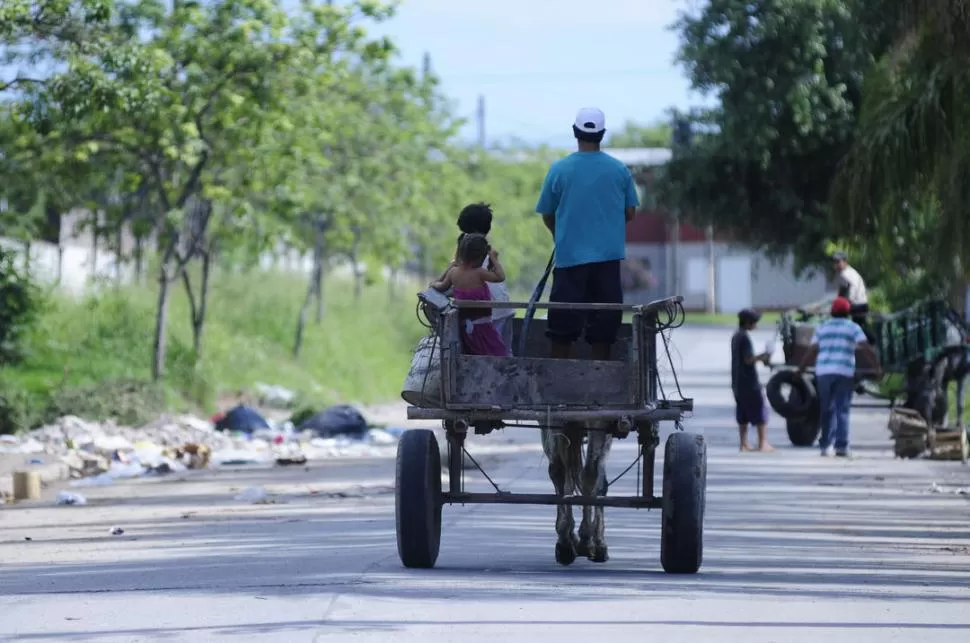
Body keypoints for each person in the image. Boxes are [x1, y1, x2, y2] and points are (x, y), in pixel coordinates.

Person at [535, 107, 640, 361]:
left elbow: (547, 213)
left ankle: (559, 385)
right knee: (604, 328)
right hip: (607, 263)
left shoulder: (559, 169)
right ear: (602, 134)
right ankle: (599, 381)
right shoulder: (619, 170)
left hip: (570, 262)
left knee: (561, 329)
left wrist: (560, 234)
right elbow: (630, 212)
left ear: (575, 132)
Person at [797, 296, 880, 458]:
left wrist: (801, 369)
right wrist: (876, 366)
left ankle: (826, 446)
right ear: (848, 312)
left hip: (824, 372)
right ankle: (842, 446)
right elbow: (866, 348)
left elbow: (812, 350)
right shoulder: (852, 328)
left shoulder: (822, 327)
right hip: (844, 371)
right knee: (842, 408)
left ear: (832, 312)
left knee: (827, 409)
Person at [431, 233, 510, 357]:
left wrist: (434, 283)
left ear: (460, 253)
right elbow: (500, 277)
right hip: (485, 330)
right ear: (481, 257)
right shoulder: (480, 273)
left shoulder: (453, 273)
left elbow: (441, 287)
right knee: (497, 355)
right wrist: (494, 258)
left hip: (464, 332)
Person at [455, 202, 515, 354]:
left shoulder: (471, 254)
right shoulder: (485, 250)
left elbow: (458, 276)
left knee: (490, 355)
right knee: (505, 353)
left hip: (490, 314)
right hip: (504, 308)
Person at [731, 308, 774, 452]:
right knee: (760, 409)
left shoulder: (736, 336)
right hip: (749, 382)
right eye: (755, 322)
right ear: (748, 323)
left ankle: (743, 444)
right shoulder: (744, 337)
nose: (756, 325)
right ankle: (763, 444)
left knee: (742, 412)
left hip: (737, 382)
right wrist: (763, 356)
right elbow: (748, 359)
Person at [831, 251, 871, 339]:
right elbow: (842, 291)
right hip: (857, 305)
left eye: (838, 262)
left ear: (845, 262)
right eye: (835, 262)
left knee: (858, 329)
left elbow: (854, 286)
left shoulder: (847, 273)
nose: (836, 265)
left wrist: (848, 301)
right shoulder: (844, 273)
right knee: (858, 328)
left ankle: (871, 341)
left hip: (858, 305)